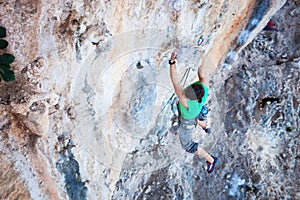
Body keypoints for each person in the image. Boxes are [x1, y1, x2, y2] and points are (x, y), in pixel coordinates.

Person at [169, 51, 218, 173]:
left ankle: (211, 160)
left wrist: (172, 63)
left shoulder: (185, 101)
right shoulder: (204, 87)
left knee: (188, 145)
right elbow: (201, 71)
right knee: (196, 114)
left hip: (188, 120)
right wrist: (200, 54)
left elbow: (175, 82)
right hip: (196, 111)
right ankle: (204, 125)